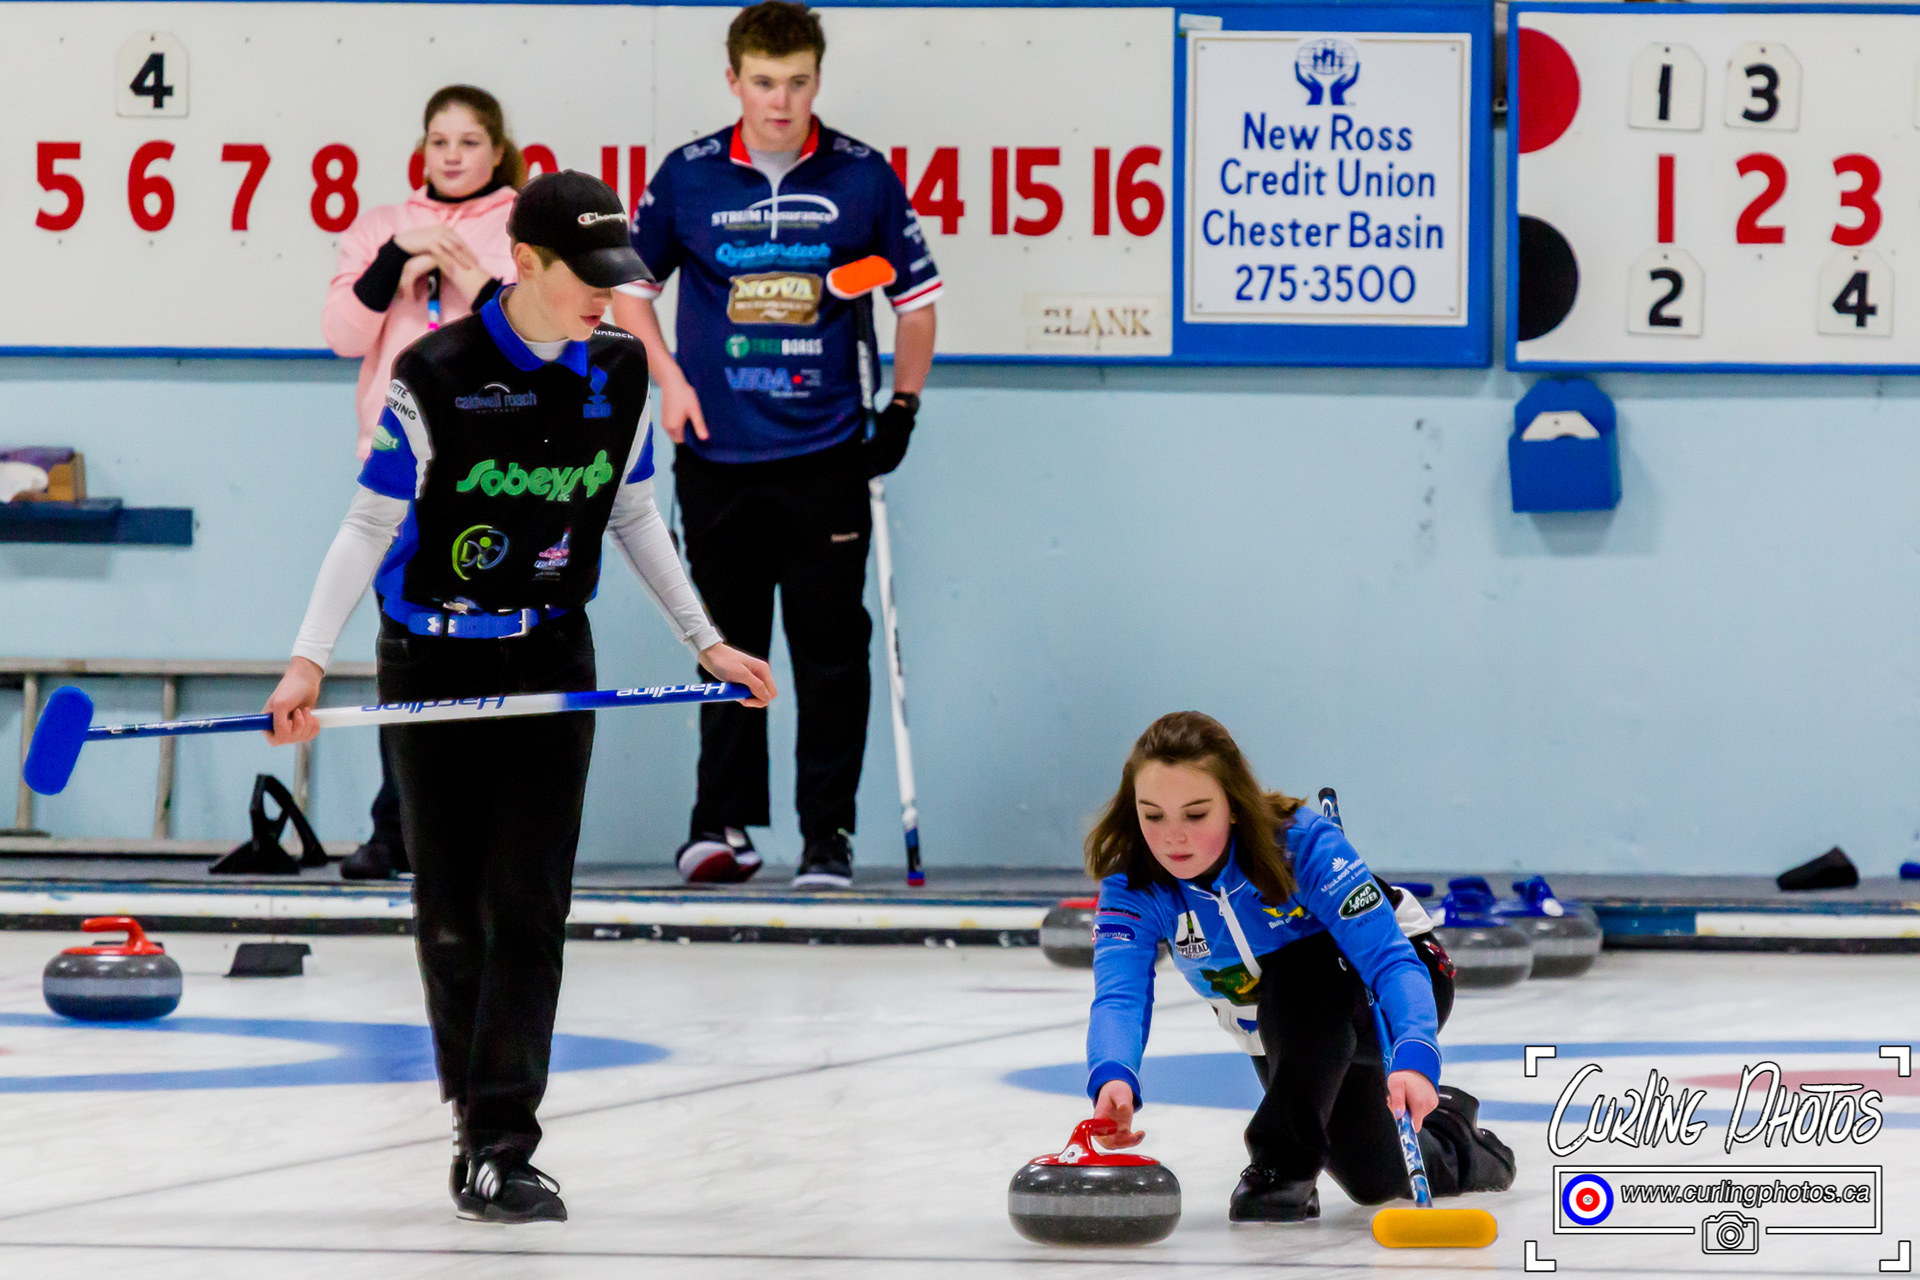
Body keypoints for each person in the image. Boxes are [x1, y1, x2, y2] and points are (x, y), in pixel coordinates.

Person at [266, 171, 777, 1223]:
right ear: (528, 264)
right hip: (431, 658)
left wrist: (710, 641)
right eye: (588, 277)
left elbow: (633, 514)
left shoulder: (620, 370)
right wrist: (307, 662)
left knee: (531, 901)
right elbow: (368, 526)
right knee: (452, 910)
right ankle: (473, 1125)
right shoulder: (435, 372)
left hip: (551, 656)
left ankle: (505, 1139)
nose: (608, 297)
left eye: (618, 277)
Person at [611, 0, 941, 888]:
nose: (781, 101)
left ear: (818, 79)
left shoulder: (862, 176)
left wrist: (903, 408)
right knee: (724, 639)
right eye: (764, 82)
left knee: (830, 649)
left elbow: (916, 303)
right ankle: (721, 823)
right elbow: (629, 291)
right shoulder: (688, 176)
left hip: (827, 449)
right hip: (716, 451)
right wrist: (668, 378)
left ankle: (827, 836)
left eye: (797, 82)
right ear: (734, 81)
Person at [1083, 712, 1514, 1221]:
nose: (1173, 837)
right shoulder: (1134, 885)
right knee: (1375, 1178)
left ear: (1234, 805)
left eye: (1195, 814)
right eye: (1152, 815)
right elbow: (1120, 996)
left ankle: (1280, 1166)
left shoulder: (1302, 846)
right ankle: (1455, 1136)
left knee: (1298, 967)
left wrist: (1416, 1053)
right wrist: (1114, 1077)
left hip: (1394, 982)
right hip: (1280, 1025)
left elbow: (1390, 960)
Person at [321, 85, 525, 881]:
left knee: (492, 653)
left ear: (497, 149)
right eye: (439, 141)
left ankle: (486, 833)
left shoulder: (520, 224)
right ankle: (399, 826)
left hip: (497, 472)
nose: (452, 156)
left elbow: (534, 334)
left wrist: (467, 272)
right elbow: (343, 335)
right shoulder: (382, 224)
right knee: (406, 652)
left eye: (469, 141)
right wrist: (395, 260)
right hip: (401, 471)